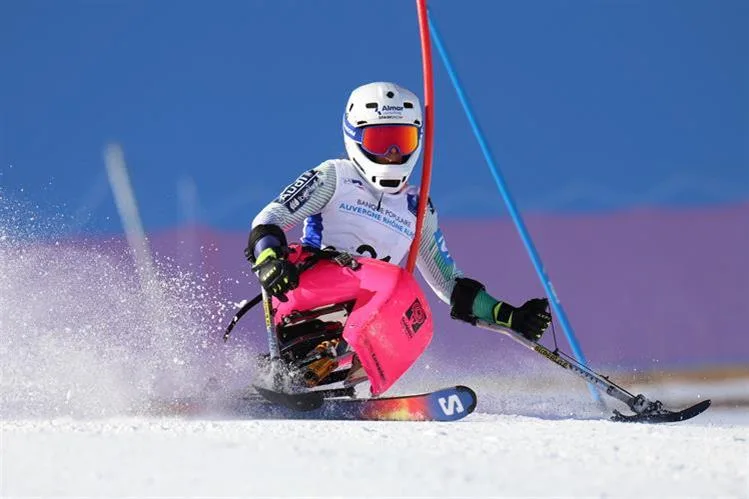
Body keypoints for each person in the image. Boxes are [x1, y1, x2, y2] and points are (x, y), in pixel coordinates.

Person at [246, 81, 551, 355]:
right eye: (380, 142)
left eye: (401, 141)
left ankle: (328, 374)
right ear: (355, 136)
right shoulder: (334, 176)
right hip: (308, 291)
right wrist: (269, 256)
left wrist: (510, 316)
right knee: (396, 282)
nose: (392, 154)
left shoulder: (417, 206)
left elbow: (449, 283)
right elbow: (270, 217)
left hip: (370, 313)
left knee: (415, 309)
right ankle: (308, 356)